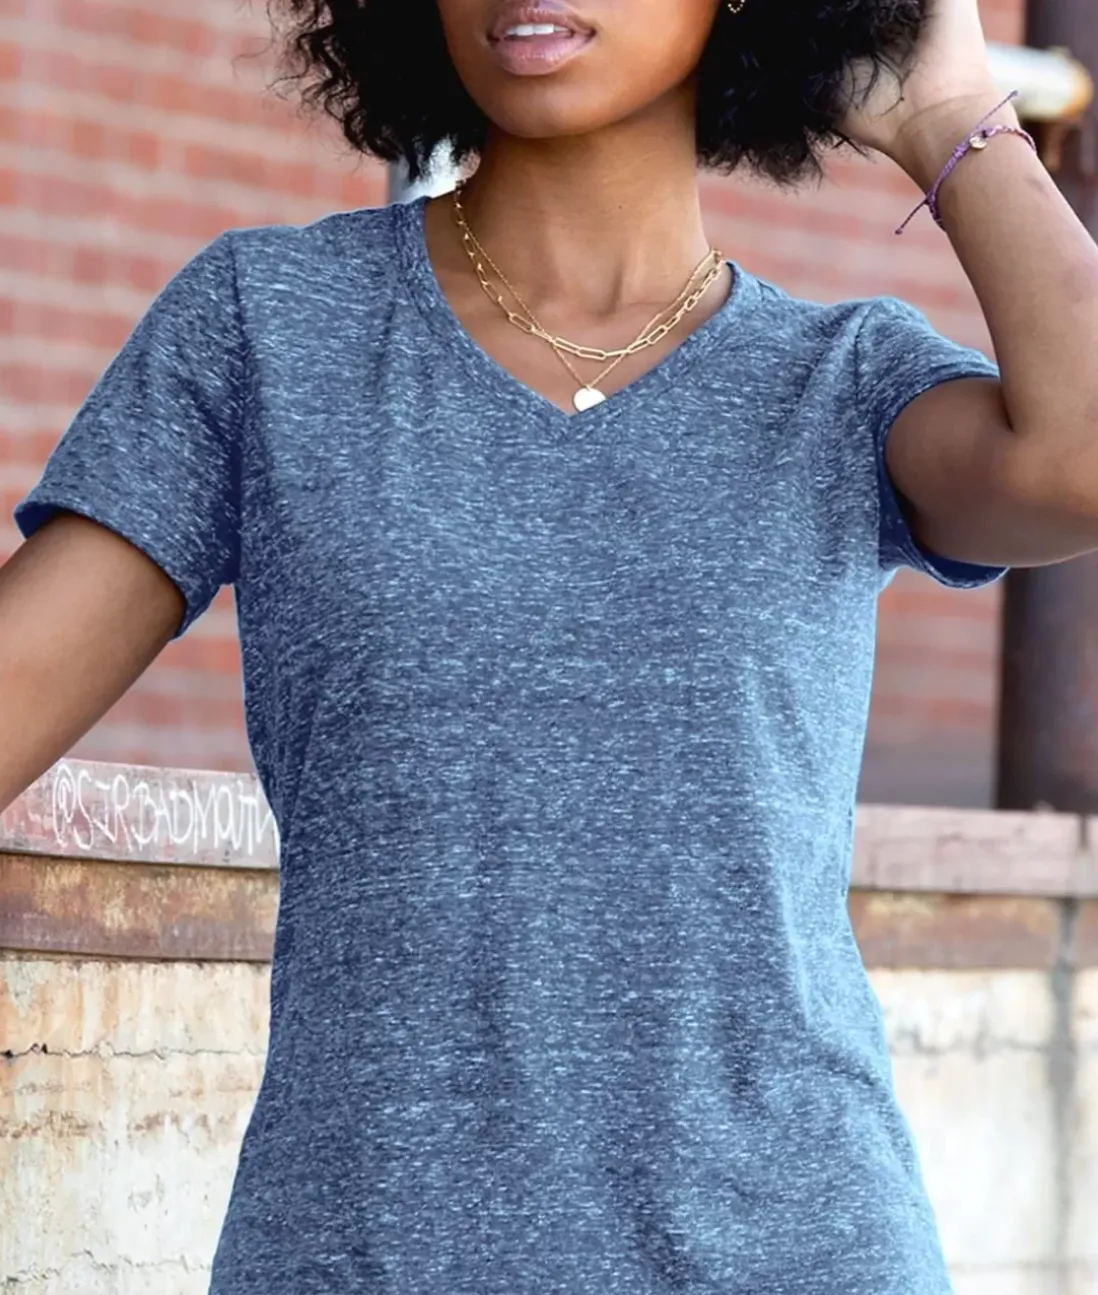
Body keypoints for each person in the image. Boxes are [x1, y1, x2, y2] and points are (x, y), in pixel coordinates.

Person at [2, 0, 1097, 1290]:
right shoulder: (270, 326)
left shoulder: (840, 384)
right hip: (367, 1257)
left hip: (791, 1249)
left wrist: (950, 119)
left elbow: (1078, 465)